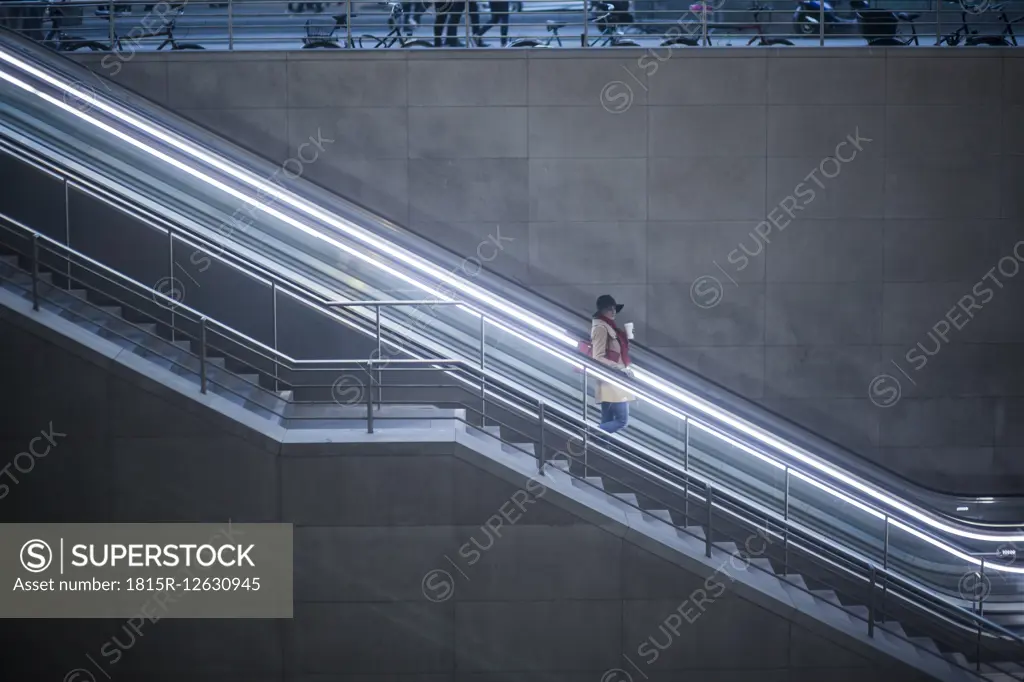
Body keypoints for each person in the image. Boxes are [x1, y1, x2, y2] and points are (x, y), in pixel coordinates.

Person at [590, 294, 635, 434]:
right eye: (610, 309)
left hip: (610, 379)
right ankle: (588, 433)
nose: (613, 312)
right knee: (622, 420)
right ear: (602, 311)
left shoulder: (609, 327)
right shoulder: (601, 328)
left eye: (614, 309)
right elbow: (597, 357)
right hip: (612, 379)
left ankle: (599, 448)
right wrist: (620, 369)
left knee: (608, 420)